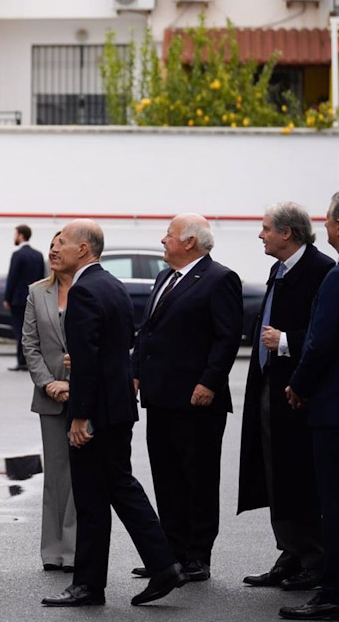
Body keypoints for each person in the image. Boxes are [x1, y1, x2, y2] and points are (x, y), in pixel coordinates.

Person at [42, 219, 186, 608]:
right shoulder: (111, 286)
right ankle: (163, 566)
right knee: (121, 488)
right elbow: (108, 351)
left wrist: (79, 416)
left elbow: (88, 361)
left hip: (98, 413)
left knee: (92, 499)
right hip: (118, 409)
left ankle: (90, 585)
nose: (55, 250)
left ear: (84, 250)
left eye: (62, 244)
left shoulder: (85, 291)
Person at [130, 215, 242, 583]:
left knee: (198, 478)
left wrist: (209, 382)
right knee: (166, 476)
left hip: (197, 400)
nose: (163, 241)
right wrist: (134, 371)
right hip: (160, 396)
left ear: (190, 241)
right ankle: (171, 554)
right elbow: (147, 330)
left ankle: (197, 556)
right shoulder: (165, 277)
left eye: (169, 235)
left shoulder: (219, 279)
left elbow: (227, 338)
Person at [239, 202, 335, 591]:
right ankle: (291, 551)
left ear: (287, 234)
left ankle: (314, 558)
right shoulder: (279, 268)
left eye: (265, 229)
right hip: (270, 385)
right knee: (274, 470)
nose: (260, 234)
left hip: (301, 390)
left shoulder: (321, 270)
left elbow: (325, 335)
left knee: (301, 476)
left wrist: (285, 342)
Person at [281, 191, 339, 621]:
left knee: (333, 503)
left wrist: (298, 384)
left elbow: (321, 343)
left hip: (332, 411)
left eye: (331, 220)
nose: (326, 227)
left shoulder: (334, 278)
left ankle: (332, 591)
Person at [22, 231, 76, 573]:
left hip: (84, 394)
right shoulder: (37, 292)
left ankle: (75, 550)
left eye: (58, 246)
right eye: (51, 247)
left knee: (81, 477)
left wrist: (72, 383)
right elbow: (30, 344)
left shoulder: (92, 289)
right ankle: (53, 552)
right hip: (50, 396)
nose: (53, 251)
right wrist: (49, 383)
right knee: (55, 476)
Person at [4, 224, 45, 372]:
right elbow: (42, 278)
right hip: (34, 299)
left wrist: (7, 298)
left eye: (15, 234)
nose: (14, 237)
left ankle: (21, 362)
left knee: (19, 331)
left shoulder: (18, 255)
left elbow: (12, 278)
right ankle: (31, 361)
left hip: (18, 300)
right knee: (32, 331)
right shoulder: (38, 255)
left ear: (21, 235)